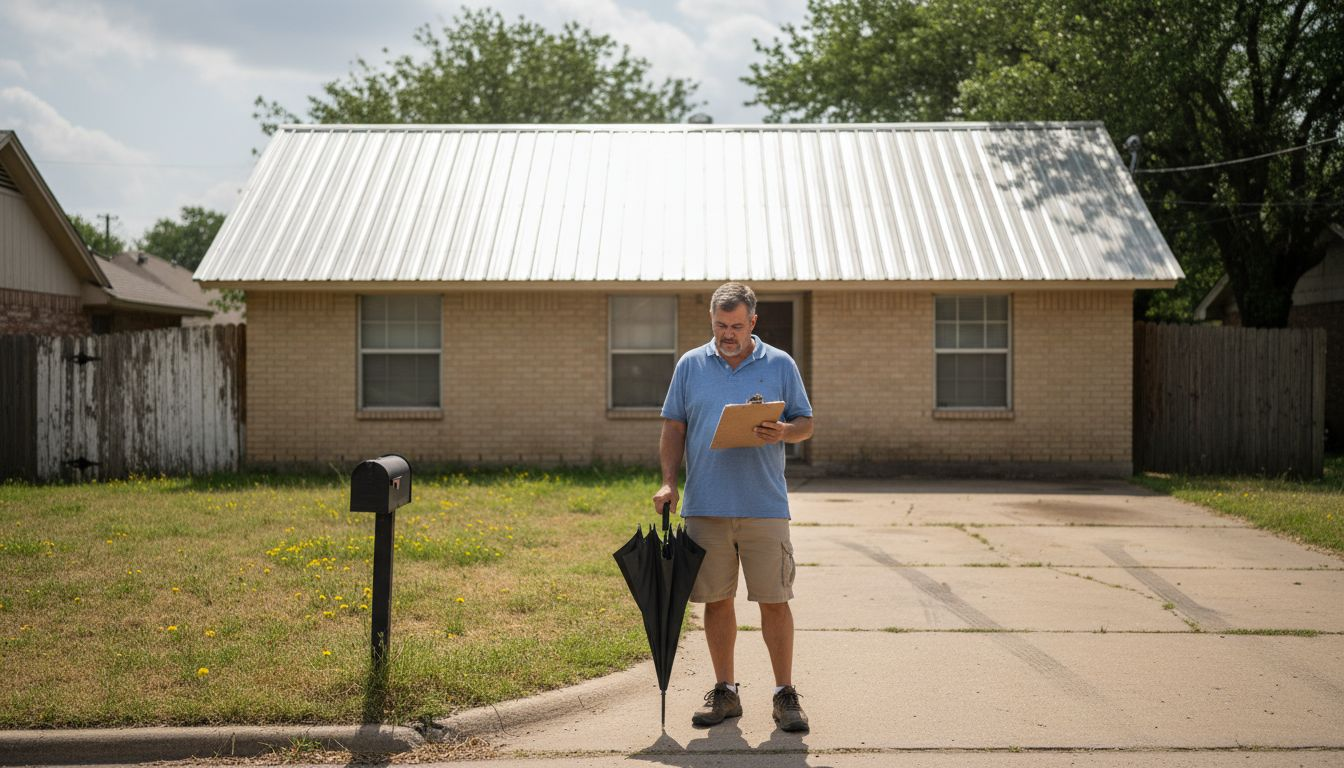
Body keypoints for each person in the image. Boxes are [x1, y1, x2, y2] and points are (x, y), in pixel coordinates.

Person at [653, 282, 814, 732]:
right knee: (716, 601)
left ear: (753, 323)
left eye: (737, 326)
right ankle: (725, 691)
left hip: (764, 506)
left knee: (774, 601)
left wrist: (784, 432)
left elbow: (806, 422)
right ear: (712, 322)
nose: (728, 334)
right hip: (706, 506)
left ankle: (785, 695)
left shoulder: (780, 363)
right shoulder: (690, 365)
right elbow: (674, 426)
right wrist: (669, 482)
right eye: (721, 326)